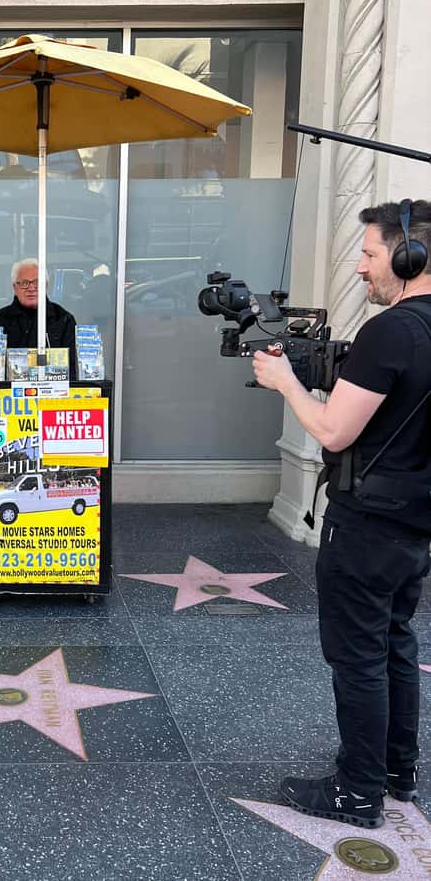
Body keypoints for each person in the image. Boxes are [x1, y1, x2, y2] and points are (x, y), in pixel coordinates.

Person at [252, 200, 431, 829]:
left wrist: (285, 382)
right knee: (395, 643)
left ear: (411, 257)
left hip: (367, 522)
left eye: (371, 253)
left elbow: (331, 430)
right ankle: (395, 772)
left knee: (358, 657)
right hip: (414, 521)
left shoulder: (393, 331)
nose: (361, 267)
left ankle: (356, 794)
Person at [0, 259, 78, 375]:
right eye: (24, 283)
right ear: (15, 288)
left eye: (37, 282)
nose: (31, 288)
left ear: (46, 285)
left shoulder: (63, 319)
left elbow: (74, 370)